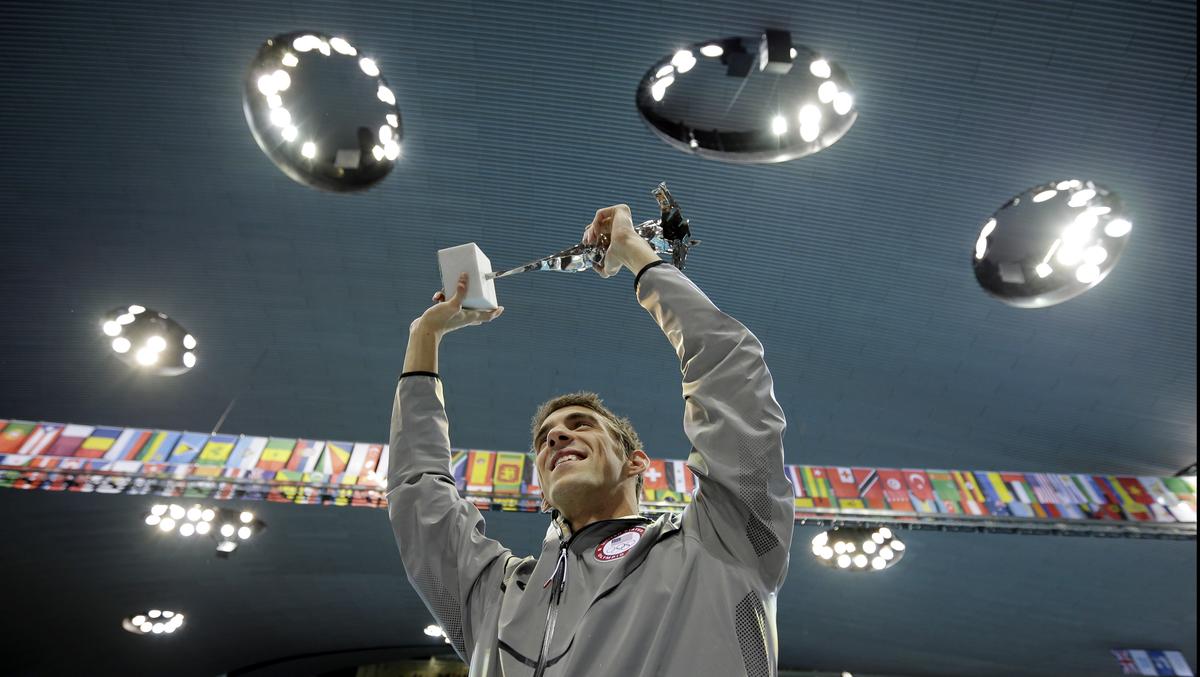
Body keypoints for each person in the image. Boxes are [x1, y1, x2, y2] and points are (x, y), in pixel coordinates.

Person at [389, 204, 792, 676]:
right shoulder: (498, 597)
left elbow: (731, 375)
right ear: (542, 489)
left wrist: (638, 257)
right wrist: (424, 336)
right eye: (544, 440)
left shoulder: (721, 541)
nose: (556, 435)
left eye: (580, 425)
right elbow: (419, 498)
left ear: (636, 462)